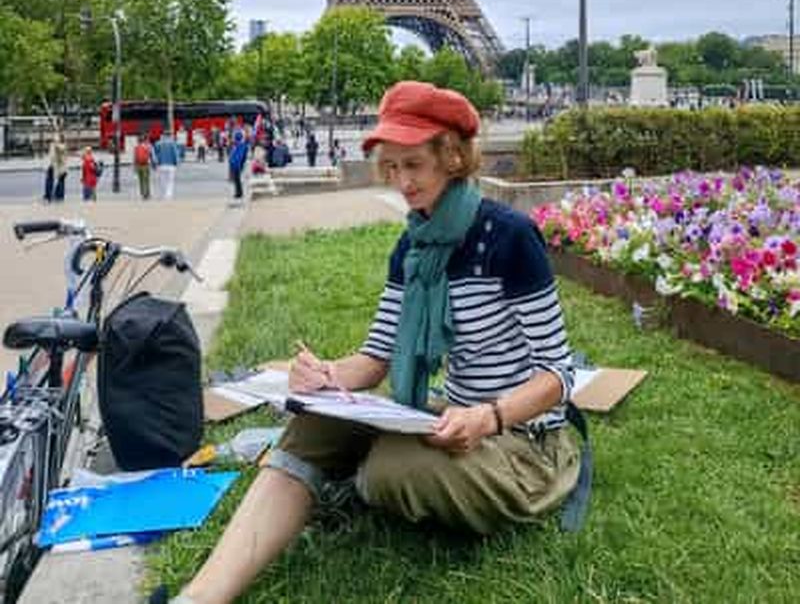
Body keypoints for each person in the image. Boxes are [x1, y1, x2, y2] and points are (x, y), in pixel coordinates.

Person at [150, 81, 582, 604]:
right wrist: (326, 378)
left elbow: (558, 374)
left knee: (390, 471)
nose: (401, 181)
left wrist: (488, 418)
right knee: (314, 423)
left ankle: (341, 482)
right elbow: (376, 356)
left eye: (413, 165)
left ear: (451, 156)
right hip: (454, 415)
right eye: (391, 167)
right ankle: (202, 597)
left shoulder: (509, 236)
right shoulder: (413, 245)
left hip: (522, 438)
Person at [153, 131, 180, 200]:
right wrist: (177, 163)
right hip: (171, 165)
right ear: (170, 136)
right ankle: (168, 195)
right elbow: (175, 154)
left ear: (163, 135)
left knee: (162, 181)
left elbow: (154, 154)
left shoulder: (158, 144)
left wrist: (155, 163)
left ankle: (164, 194)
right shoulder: (173, 143)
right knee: (170, 181)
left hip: (161, 165)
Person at [43, 131, 68, 202]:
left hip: (60, 167)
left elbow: (60, 149)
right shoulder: (54, 145)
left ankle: (57, 196)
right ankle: (50, 195)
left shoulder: (62, 146)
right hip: (54, 165)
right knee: (51, 180)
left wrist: (55, 143)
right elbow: (52, 155)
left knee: (59, 182)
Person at [228, 128, 248, 201]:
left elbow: (238, 156)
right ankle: (238, 192)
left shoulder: (239, 145)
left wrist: (235, 163)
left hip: (236, 165)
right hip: (236, 164)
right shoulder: (239, 145)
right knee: (237, 180)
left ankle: (238, 193)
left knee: (237, 180)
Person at [133, 135, 153, 200]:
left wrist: (135, 167)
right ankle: (147, 193)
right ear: (144, 140)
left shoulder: (136, 148)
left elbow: (135, 158)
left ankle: (142, 193)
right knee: (146, 180)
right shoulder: (147, 147)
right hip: (146, 165)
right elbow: (150, 156)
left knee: (141, 180)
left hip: (139, 165)